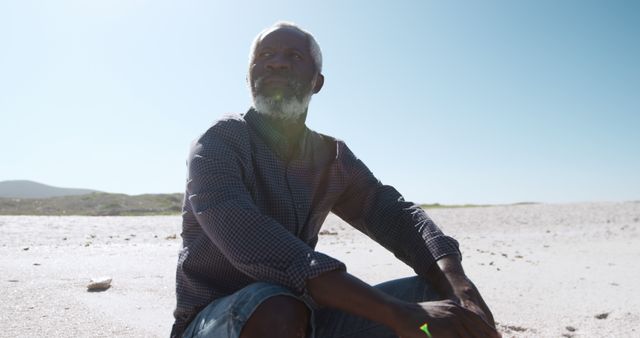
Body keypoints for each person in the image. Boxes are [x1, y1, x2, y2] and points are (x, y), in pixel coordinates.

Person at [171, 21, 501, 338]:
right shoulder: (221, 141)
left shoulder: (331, 157)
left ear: (317, 81)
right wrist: (397, 315)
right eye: (265, 56)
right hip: (214, 322)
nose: (277, 64)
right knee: (274, 305)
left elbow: (396, 217)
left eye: (294, 57)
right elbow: (252, 238)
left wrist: (460, 286)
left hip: (303, 317)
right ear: (248, 76)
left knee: (440, 296)